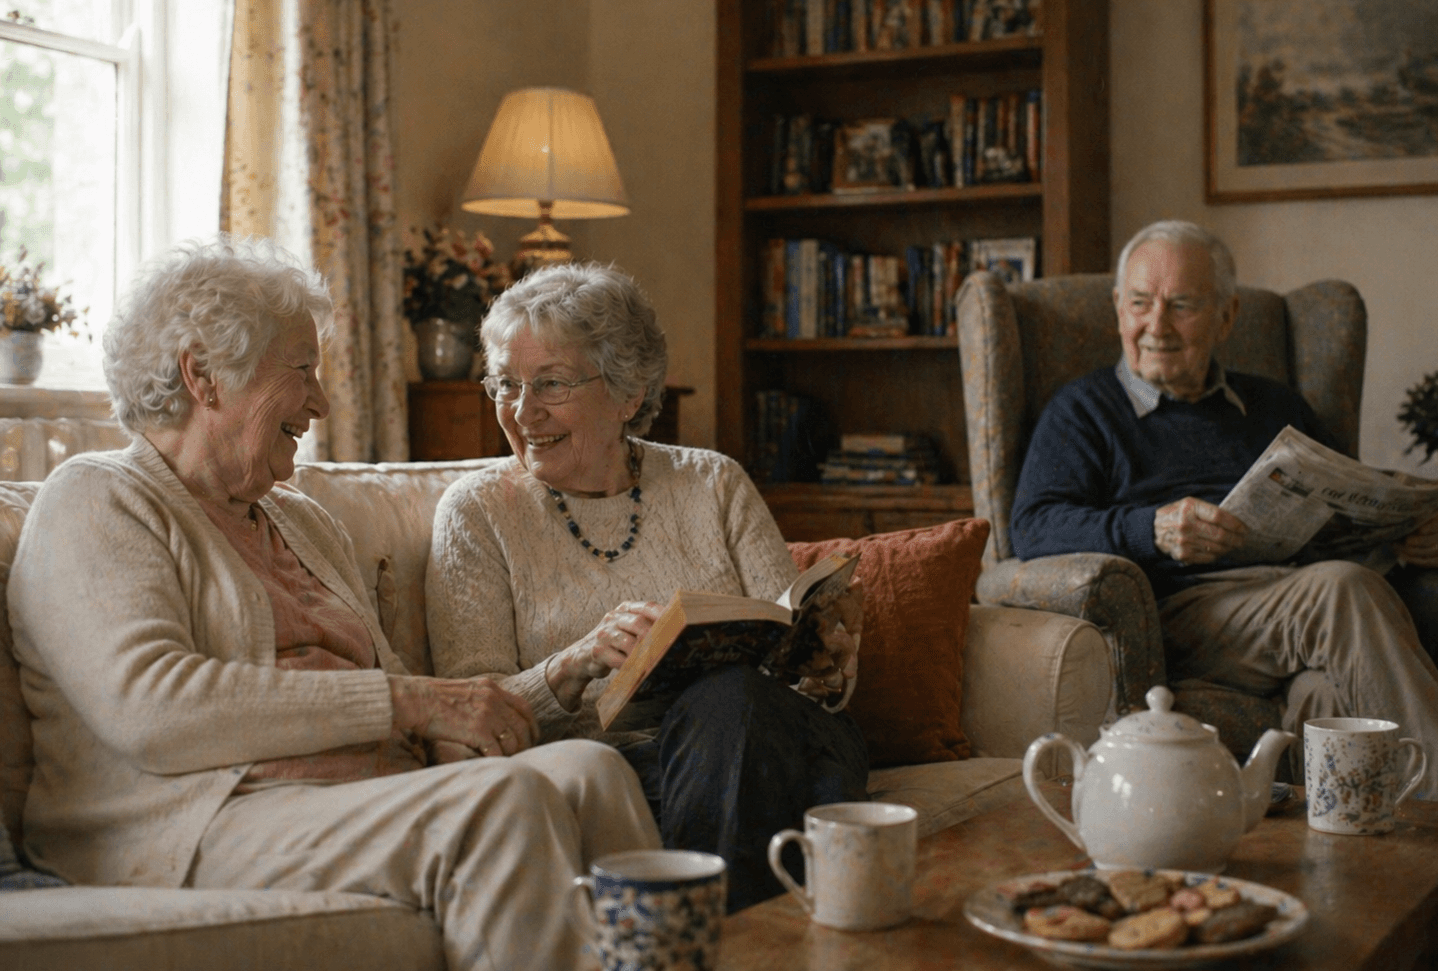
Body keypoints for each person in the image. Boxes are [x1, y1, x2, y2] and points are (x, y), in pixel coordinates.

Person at [7, 238, 660, 971]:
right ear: (204, 375)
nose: (320, 401)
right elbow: (152, 710)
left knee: (589, 772)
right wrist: (413, 704)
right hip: (195, 816)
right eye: (302, 371)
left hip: (352, 794)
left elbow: (405, 699)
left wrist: (453, 727)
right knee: (499, 804)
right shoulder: (97, 496)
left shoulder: (301, 518)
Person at [1008, 218, 1438, 938]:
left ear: (1226, 314)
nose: (1155, 324)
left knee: (1328, 700)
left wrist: (1415, 535)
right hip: (1183, 612)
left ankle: (1410, 913)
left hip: (1304, 612)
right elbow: (1031, 528)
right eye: (1139, 302)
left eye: (1182, 304)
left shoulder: (1276, 406)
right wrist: (1150, 527)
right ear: (1116, 308)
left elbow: (1348, 504)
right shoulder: (1083, 410)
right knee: (1340, 590)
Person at [425, 261, 867, 912]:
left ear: (628, 394)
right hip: (629, 774)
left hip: (765, 733)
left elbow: (787, 636)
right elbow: (468, 718)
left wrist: (826, 658)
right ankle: (746, 935)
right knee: (790, 765)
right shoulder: (477, 512)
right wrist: (575, 662)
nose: (522, 411)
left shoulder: (712, 482)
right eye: (506, 383)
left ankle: (686, 934)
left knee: (739, 702)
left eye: (550, 382)